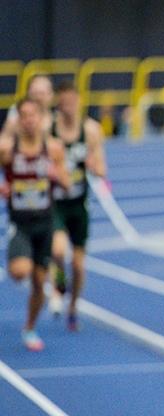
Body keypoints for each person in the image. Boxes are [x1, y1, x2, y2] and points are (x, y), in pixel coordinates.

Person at [0, 97, 70, 351]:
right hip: (20, 223)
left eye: (33, 115)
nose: (29, 120)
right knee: (20, 272)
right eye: (24, 115)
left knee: (39, 284)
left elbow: (67, 183)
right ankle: (26, 265)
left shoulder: (53, 149)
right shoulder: (8, 148)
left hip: (45, 222)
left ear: (41, 119)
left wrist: (56, 175)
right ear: (18, 120)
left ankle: (29, 327)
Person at [48, 81, 108, 330]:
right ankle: (59, 283)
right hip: (56, 203)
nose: (70, 108)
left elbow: (102, 169)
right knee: (59, 252)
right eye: (65, 103)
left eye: (73, 102)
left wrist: (95, 167)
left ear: (79, 102)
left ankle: (73, 307)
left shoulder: (91, 130)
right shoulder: (49, 130)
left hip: (79, 205)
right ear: (59, 105)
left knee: (79, 265)